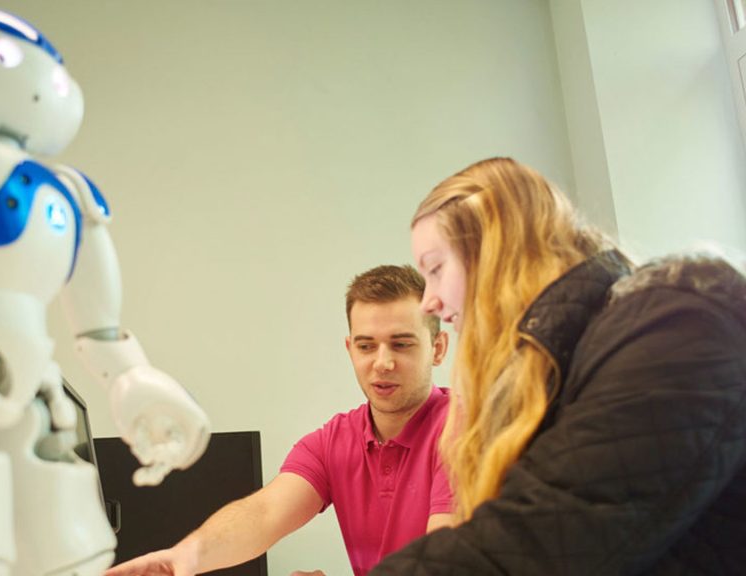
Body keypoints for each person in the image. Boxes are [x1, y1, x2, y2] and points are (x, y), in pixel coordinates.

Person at [372, 156, 746, 574]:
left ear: (497, 250)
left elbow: (536, 541)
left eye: (436, 269)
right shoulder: (563, 369)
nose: (429, 302)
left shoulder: (677, 324)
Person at [105, 265, 454, 576]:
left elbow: (444, 562)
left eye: (401, 345)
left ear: (437, 348)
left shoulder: (469, 430)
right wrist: (185, 557)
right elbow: (264, 513)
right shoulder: (334, 440)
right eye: (366, 346)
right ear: (349, 348)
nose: (382, 363)